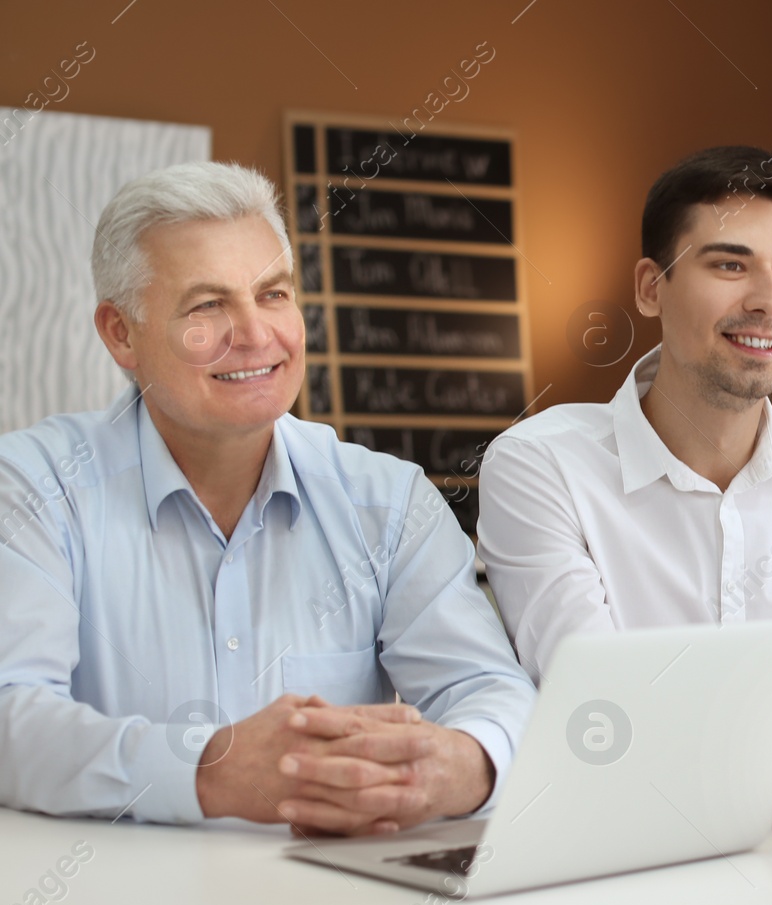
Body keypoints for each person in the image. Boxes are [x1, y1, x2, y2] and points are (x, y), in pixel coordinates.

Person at [0, 162, 534, 834]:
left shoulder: (388, 503)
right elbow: (10, 717)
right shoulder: (32, 487)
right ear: (120, 333)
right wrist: (209, 768)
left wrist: (461, 761)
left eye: (273, 294)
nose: (256, 335)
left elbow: (491, 690)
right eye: (206, 305)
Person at [477, 146, 772, 843]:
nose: (768, 300)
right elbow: (596, 710)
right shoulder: (540, 467)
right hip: (611, 862)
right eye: (730, 264)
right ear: (651, 288)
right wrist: (770, 780)